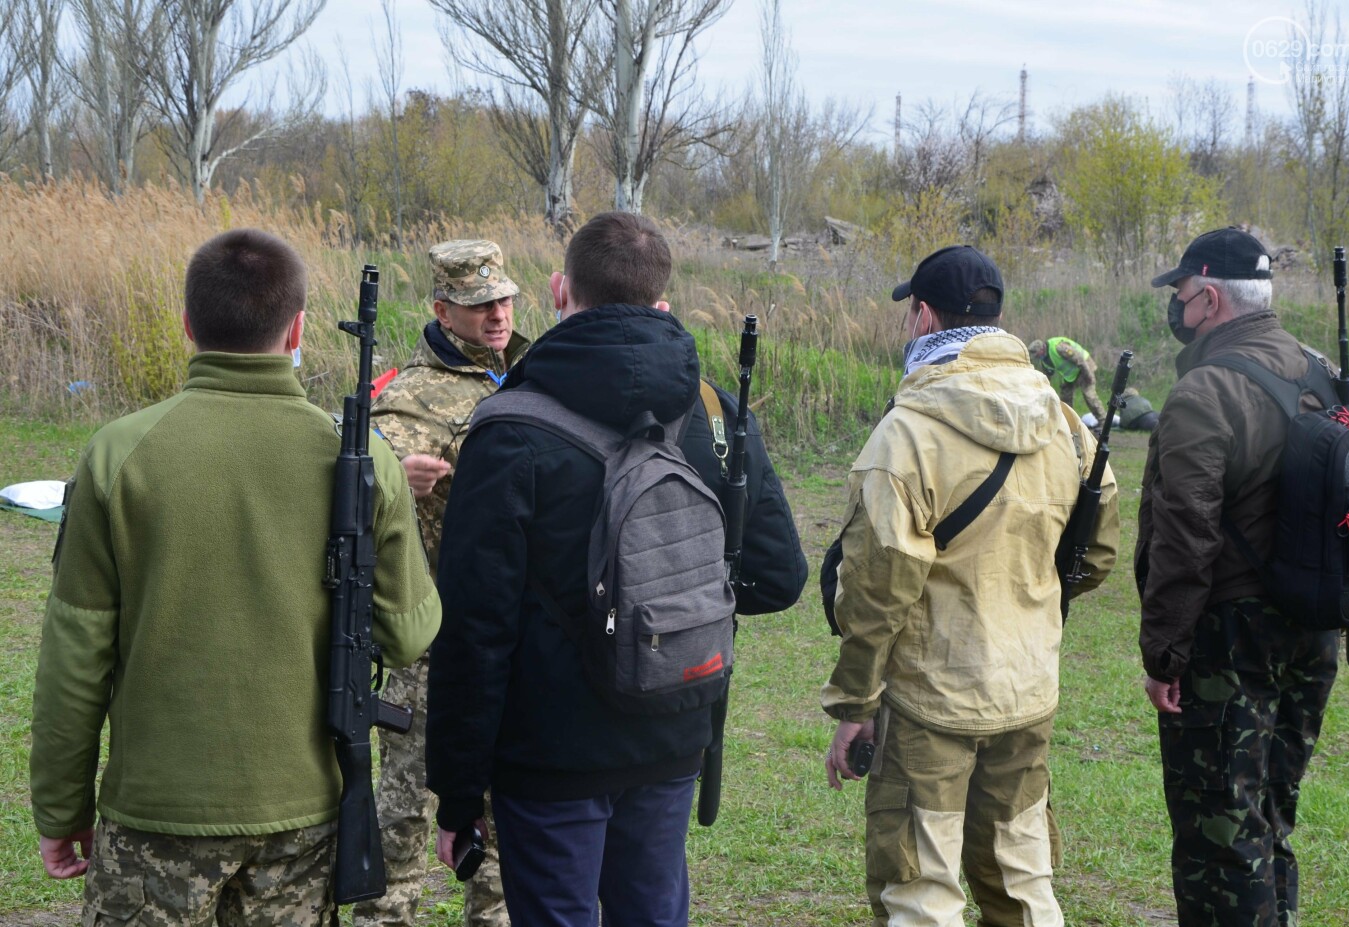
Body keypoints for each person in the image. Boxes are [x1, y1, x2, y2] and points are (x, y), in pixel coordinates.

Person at [29, 228, 442, 925]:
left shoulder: (117, 456)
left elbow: (75, 654)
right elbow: (407, 633)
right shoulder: (363, 458)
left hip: (156, 810)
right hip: (303, 812)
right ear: (299, 326)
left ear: (188, 324)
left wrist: (61, 806)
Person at [426, 211, 806, 927]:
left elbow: (476, 630)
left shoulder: (508, 428)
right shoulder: (715, 412)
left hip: (549, 754)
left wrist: (456, 792)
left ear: (558, 289)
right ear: (662, 301)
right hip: (673, 727)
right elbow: (778, 576)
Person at [822, 245, 1119, 927]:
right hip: (1027, 690)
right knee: (1021, 882)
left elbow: (875, 593)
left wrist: (855, 705)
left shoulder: (907, 436)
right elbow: (1096, 551)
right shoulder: (1065, 422)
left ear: (923, 316)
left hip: (931, 701)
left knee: (922, 890)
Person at [1137, 228, 1338, 927]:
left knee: (1219, 839)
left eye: (1182, 295)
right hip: (1312, 629)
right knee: (1270, 818)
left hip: (1231, 640)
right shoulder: (1315, 370)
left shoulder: (1206, 390)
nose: (1177, 308)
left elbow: (1183, 536)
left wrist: (1165, 654)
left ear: (1210, 297)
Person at [360, 239, 530, 927]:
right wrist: (397, 477)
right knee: (403, 812)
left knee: (507, 817)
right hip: (431, 643)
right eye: (478, 304)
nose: (496, 315)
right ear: (442, 310)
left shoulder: (531, 372)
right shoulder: (407, 395)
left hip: (510, 636)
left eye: (503, 299)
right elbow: (363, 477)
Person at [1029, 335, 1109, 424]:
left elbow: (1080, 359)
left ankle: (1104, 421)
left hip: (1084, 366)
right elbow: (1046, 378)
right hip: (1071, 375)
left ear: (1042, 350)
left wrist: (1088, 375)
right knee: (1065, 398)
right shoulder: (1045, 361)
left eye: (1037, 355)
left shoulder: (1058, 348)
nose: (1037, 358)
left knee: (1089, 395)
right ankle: (1068, 423)